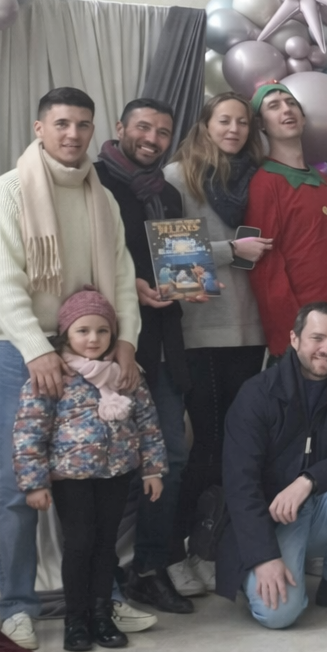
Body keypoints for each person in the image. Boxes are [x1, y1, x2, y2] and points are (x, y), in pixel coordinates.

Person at [0, 87, 147, 650]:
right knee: (18, 486)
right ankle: (18, 607)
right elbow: (3, 285)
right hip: (22, 351)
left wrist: (126, 343)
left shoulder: (102, 198)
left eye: (82, 124)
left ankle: (103, 599)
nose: (72, 134)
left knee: (101, 482)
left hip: (95, 349)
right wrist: (37, 350)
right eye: (61, 124)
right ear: (39, 128)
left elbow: (121, 277)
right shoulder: (6, 193)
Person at [218, 302, 327, 629]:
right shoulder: (257, 394)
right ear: (294, 339)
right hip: (272, 520)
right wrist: (263, 557)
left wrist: (308, 481)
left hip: (320, 502)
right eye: (317, 338)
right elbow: (240, 485)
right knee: (278, 616)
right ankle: (253, 575)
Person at [13, 289, 166, 652]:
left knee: (105, 544)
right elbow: (29, 430)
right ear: (67, 334)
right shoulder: (54, 376)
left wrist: (152, 469)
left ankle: (101, 614)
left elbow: (148, 423)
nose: (93, 339)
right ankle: (75, 620)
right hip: (72, 479)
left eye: (102, 330)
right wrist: (34, 483)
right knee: (80, 544)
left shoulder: (127, 373)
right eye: (83, 331)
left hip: (116, 473)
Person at [163, 92, 271, 598]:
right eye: (224, 120)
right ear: (204, 125)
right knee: (204, 448)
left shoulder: (257, 177)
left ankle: (213, 547)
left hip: (250, 331)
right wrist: (232, 250)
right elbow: (170, 259)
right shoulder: (177, 178)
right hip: (201, 332)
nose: (234, 129)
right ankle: (176, 552)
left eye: (242, 122)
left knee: (238, 451)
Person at [92, 97, 195, 616]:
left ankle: (149, 568)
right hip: (105, 350)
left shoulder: (170, 195)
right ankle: (99, 574)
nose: (152, 138)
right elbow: (80, 265)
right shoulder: (92, 182)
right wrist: (129, 288)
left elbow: (176, 263)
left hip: (163, 344)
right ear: (120, 128)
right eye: (143, 128)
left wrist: (186, 285)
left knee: (170, 458)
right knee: (105, 462)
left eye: (162, 131)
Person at [243, 84, 327, 363]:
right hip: (307, 336)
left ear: (303, 117)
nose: (286, 109)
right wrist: (291, 333)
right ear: (261, 124)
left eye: (291, 103)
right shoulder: (264, 183)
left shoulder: (322, 179)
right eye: (274, 106)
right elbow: (264, 268)